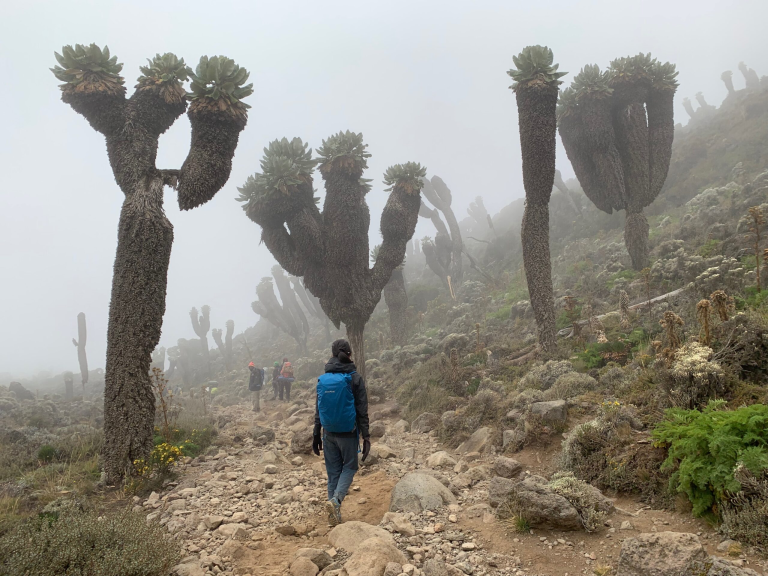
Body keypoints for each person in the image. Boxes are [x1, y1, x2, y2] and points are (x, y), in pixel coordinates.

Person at [312, 339, 370, 526]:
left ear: (332, 354)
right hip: (347, 432)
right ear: (349, 354)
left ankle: (333, 516)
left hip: (328, 432)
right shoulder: (355, 378)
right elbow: (362, 410)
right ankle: (336, 502)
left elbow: (318, 408)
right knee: (350, 467)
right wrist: (366, 436)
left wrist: (315, 433)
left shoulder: (323, 379)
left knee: (333, 472)